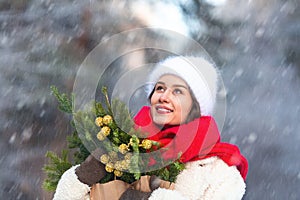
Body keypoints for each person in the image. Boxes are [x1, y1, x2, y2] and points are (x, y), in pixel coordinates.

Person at [53, 56, 248, 200]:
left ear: (196, 107)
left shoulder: (220, 174)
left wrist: (153, 198)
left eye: (178, 91)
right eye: (160, 88)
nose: (163, 96)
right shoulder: (125, 150)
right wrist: (81, 178)